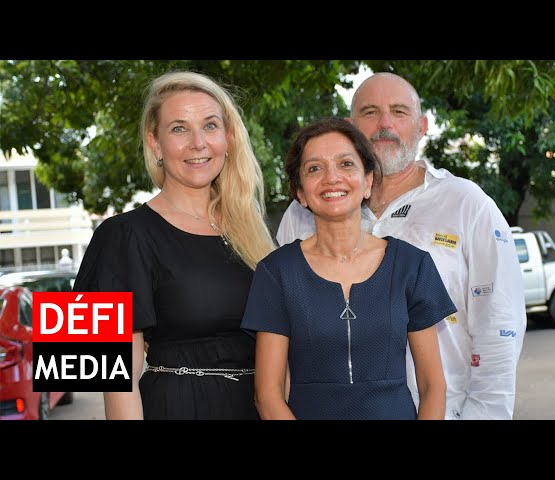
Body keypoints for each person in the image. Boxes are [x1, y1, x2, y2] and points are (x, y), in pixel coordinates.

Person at [277, 72, 527, 420]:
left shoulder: (466, 204)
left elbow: (499, 322)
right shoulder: (304, 213)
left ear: (422, 125)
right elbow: (282, 338)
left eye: (399, 111)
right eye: (369, 112)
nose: (384, 124)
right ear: (350, 126)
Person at [73, 71, 276, 420]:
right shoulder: (118, 235)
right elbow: (108, 380)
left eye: (210, 126)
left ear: (228, 137)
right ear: (155, 143)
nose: (198, 143)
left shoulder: (255, 234)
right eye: (179, 128)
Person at [241, 117, 456, 420]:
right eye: (315, 168)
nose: (332, 178)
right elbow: (268, 395)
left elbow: (433, 386)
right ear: (300, 192)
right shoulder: (276, 273)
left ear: (368, 181)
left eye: (346, 164)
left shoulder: (411, 265)